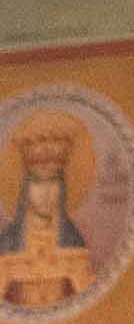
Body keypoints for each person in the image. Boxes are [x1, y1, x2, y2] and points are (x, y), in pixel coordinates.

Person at [0, 126, 94, 311]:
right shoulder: (8, 242)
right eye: (38, 184)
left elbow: (87, 302)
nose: (46, 193)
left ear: (62, 189)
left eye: (53, 183)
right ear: (26, 190)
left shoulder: (73, 240)